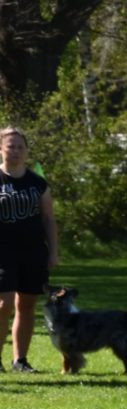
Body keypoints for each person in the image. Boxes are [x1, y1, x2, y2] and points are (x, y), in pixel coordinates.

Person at [0, 126, 58, 373]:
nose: (15, 151)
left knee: (27, 305)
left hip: (32, 251)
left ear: (26, 151)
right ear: (1, 149)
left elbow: (48, 218)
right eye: (10, 146)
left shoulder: (38, 183)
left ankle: (20, 361)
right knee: (3, 304)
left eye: (20, 147)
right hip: (2, 252)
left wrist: (53, 251)